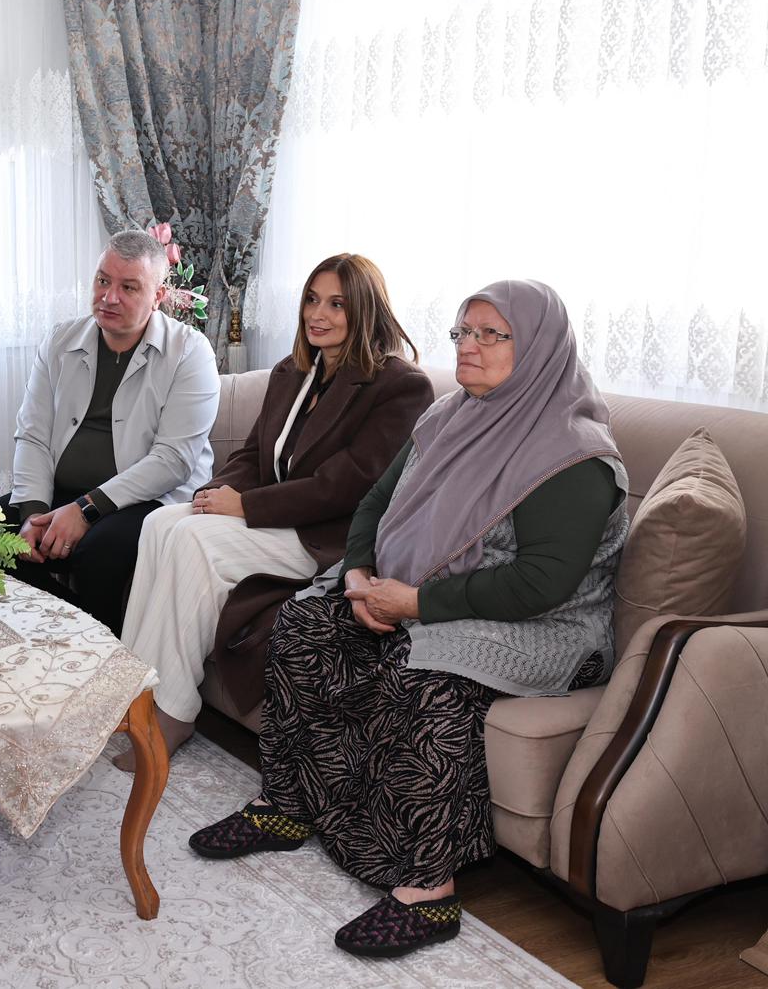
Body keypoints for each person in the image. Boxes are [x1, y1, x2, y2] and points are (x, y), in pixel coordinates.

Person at [188, 280, 628, 960]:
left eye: (491, 334)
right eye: (462, 332)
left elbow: (540, 585)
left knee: (426, 674)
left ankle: (429, 891)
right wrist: (359, 576)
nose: (468, 347)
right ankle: (288, 804)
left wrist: (415, 605)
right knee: (307, 623)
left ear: (540, 348)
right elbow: (376, 503)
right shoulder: (449, 417)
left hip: (546, 626)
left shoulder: (572, 456)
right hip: (427, 591)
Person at [116, 254, 432, 768]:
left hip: (325, 539)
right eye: (312, 300)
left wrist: (244, 506)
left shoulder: (399, 386)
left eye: (337, 304)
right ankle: (133, 696)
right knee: (160, 523)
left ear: (365, 310)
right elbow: (252, 454)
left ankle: (171, 713)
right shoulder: (294, 371)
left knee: (194, 542)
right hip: (271, 519)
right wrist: (213, 496)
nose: (318, 314)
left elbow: (346, 486)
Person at [4, 229, 219, 633]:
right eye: (103, 280)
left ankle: (99, 654)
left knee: (100, 553)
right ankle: (60, 636)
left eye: (128, 287)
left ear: (158, 296)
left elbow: (173, 461)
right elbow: (32, 434)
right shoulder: (60, 340)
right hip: (63, 494)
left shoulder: (190, 352)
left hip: (148, 500)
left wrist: (86, 510)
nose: (109, 297)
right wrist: (33, 513)